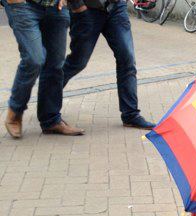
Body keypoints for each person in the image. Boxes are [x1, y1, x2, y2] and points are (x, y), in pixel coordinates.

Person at [63, 0, 154, 129]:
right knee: (78, 62)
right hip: (87, 9)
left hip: (116, 8)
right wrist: (77, 5)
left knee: (127, 58)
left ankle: (131, 115)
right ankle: (48, 102)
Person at [3, 0, 85, 138]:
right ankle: (14, 112)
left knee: (55, 64)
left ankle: (51, 120)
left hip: (55, 6)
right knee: (34, 59)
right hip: (22, 5)